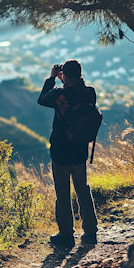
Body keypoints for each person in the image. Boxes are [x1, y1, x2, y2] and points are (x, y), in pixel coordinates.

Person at [37, 59, 98, 246]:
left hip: (61, 151)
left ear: (65, 75)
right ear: (80, 73)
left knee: (62, 194)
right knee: (83, 190)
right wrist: (66, 78)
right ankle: (90, 232)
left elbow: (41, 99)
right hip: (80, 150)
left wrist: (53, 78)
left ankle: (66, 235)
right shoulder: (90, 93)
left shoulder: (59, 94)